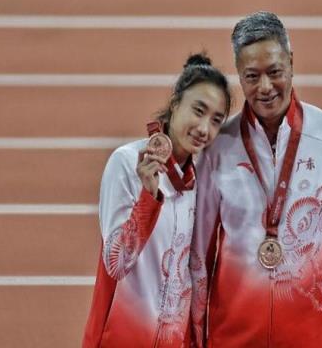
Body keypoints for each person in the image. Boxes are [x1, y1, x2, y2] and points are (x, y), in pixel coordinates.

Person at [190, 12, 322, 347]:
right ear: (239, 75)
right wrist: (194, 337)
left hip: (308, 337)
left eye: (274, 72)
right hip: (231, 338)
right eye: (252, 76)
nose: (265, 88)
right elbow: (198, 255)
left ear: (291, 62)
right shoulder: (218, 147)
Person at [82, 53, 232, 348]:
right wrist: (148, 198)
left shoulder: (201, 183)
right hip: (122, 338)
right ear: (175, 103)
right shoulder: (127, 163)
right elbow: (116, 264)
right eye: (198, 111)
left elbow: (196, 275)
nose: (204, 129)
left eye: (216, 120)